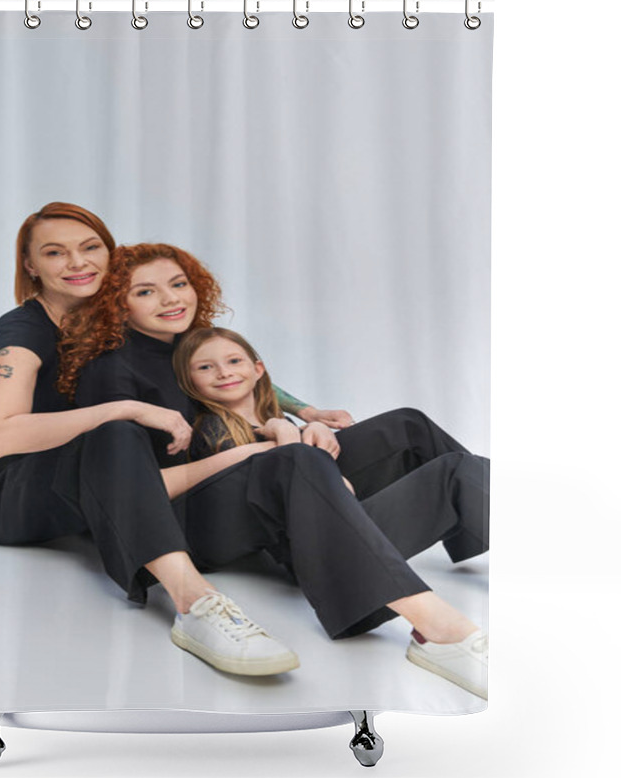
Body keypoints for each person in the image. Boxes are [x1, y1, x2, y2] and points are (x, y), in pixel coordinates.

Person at [64, 244, 489, 700]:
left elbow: (252, 381)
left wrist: (304, 420)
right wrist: (265, 449)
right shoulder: (112, 373)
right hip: (196, 516)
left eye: (179, 284)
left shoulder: (188, 340)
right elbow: (124, 488)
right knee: (294, 458)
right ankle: (439, 631)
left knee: (410, 428)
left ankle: (504, 549)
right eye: (146, 291)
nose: (170, 299)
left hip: (272, 475)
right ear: (116, 304)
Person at [0, 202, 347, 679]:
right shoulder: (21, 336)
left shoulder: (117, 314)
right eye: (55, 253)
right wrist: (127, 408)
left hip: (95, 477)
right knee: (117, 431)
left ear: (111, 254)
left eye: (90, 248)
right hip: (6, 496)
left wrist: (300, 410)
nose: (78, 263)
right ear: (30, 265)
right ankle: (196, 604)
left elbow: (206, 362)